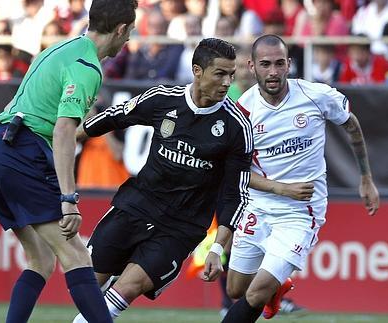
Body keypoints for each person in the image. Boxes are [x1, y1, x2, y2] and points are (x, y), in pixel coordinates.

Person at [0, 0, 137, 322]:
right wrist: (68, 199)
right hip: (22, 150)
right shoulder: (87, 67)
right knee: (76, 254)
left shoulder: (59, 49)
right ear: (120, 29)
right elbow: (64, 131)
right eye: (130, 31)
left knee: (41, 260)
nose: (129, 39)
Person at [72, 38, 253, 322]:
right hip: (137, 205)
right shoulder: (162, 98)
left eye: (231, 74)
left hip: (181, 226)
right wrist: (63, 140)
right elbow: (115, 117)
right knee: (88, 284)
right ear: (197, 70)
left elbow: (236, 194)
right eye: (220, 73)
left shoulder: (236, 126)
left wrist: (218, 248)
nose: (227, 82)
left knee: (127, 288)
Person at [221, 34, 380, 322]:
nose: (273, 72)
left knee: (254, 295)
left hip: (301, 212)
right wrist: (282, 188)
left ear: (289, 64)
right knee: (236, 288)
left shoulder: (315, 95)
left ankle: (270, 287)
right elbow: (235, 173)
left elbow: (352, 127)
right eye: (266, 64)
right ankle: (277, 286)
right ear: (252, 66)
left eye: (279, 64)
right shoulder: (242, 111)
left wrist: (366, 178)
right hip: (258, 207)